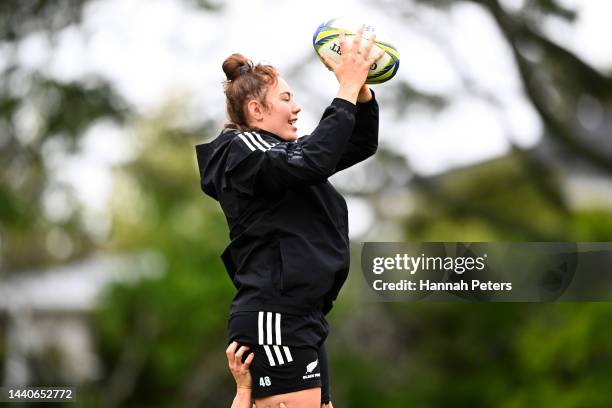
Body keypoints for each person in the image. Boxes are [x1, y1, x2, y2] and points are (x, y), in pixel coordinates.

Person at [196, 26, 382, 408]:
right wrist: (344, 88)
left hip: (301, 318)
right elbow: (313, 158)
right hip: (275, 317)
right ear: (256, 110)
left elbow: (357, 143)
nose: (296, 108)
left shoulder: (283, 157)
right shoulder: (241, 149)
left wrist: (359, 89)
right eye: (286, 98)